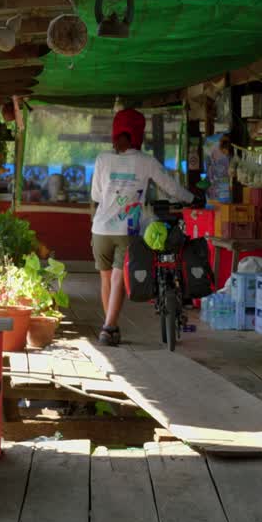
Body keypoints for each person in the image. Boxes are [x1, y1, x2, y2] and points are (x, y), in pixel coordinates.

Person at [89, 108, 195, 346]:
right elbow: (171, 187)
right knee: (118, 280)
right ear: (139, 134)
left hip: (100, 230)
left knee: (106, 280)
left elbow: (96, 194)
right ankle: (108, 327)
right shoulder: (145, 162)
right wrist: (192, 199)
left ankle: (111, 328)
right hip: (127, 230)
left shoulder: (102, 159)